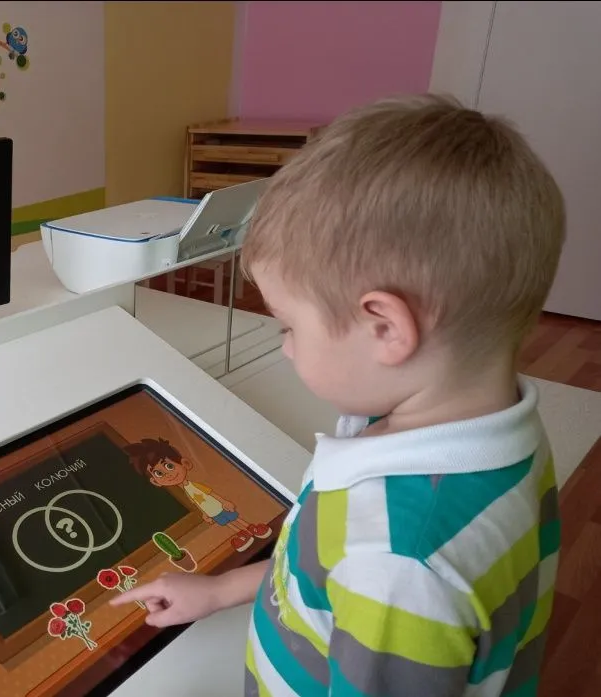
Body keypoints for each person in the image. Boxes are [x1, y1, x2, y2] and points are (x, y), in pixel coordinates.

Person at [111, 94, 565, 696]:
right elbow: (320, 575)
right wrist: (221, 590)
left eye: (288, 326)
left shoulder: (397, 563)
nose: (285, 347)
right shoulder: (496, 430)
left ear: (386, 329)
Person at [125, 437, 272, 553]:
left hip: (218, 506)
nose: (168, 475)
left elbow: (210, 493)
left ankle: (251, 528)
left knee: (234, 518)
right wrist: (205, 514)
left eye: (169, 466)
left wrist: (224, 502)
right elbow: (197, 502)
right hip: (211, 511)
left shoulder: (193, 485)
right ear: (155, 482)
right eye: (158, 473)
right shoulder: (185, 492)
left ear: (185, 463)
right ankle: (242, 534)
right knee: (228, 523)